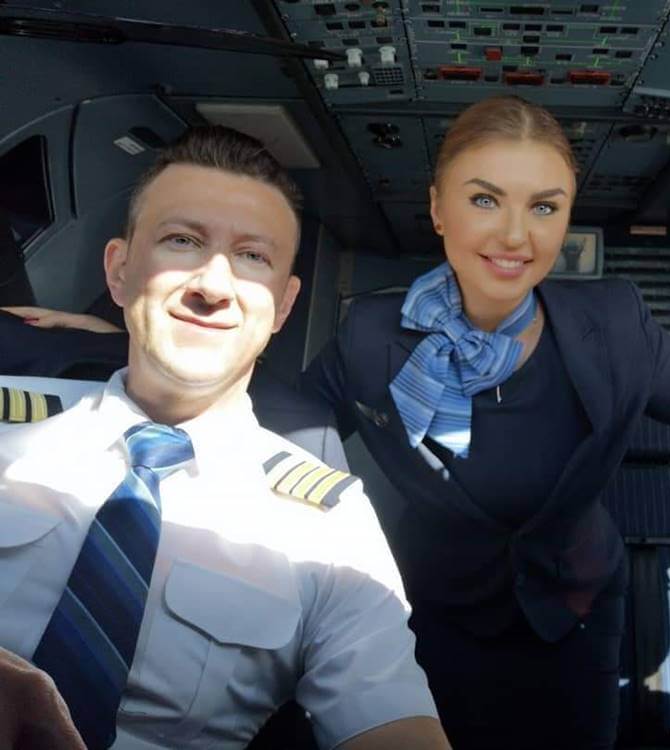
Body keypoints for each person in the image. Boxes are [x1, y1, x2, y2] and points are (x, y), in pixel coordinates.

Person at [300, 95, 670, 749]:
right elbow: (293, 409)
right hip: (433, 608)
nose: (516, 236)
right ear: (437, 209)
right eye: (485, 200)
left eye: (544, 206)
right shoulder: (371, 333)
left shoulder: (616, 320)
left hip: (580, 609)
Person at [0, 126, 449, 750]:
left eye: (252, 257)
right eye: (181, 242)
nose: (212, 287)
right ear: (120, 271)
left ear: (284, 307)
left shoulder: (330, 523)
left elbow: (394, 722)